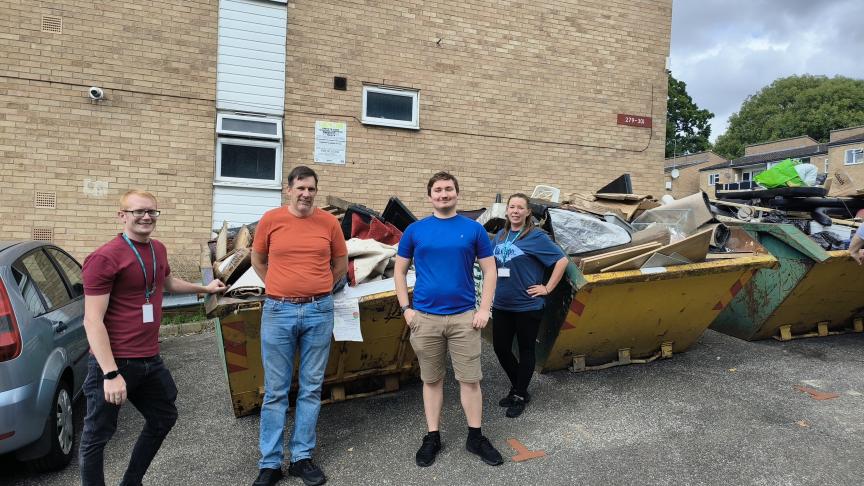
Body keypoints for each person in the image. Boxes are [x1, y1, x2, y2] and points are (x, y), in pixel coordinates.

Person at [80, 190, 226, 486]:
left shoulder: (157, 249)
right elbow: (92, 320)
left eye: (152, 212)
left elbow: (167, 282)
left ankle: (132, 481)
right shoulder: (104, 258)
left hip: (149, 358)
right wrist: (110, 374)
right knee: (97, 436)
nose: (146, 217)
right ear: (122, 215)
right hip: (115, 362)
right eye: (138, 211)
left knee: (163, 417)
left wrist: (205, 289)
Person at [394, 171, 503, 468]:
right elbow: (399, 272)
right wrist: (407, 309)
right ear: (429, 196)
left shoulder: (473, 230)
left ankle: (475, 437)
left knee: (470, 380)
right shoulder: (415, 231)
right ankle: (433, 437)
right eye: (438, 190)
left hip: (464, 318)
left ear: (457, 193)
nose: (443, 194)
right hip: (425, 319)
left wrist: (484, 309)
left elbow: (490, 271)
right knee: (432, 380)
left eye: (449, 189)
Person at [251, 166, 348, 486]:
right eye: (301, 188)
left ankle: (302, 458)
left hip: (319, 310)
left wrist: (320, 287)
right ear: (288, 189)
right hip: (279, 311)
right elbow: (258, 260)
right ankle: (270, 463)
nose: (306, 194)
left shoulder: (329, 223)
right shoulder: (271, 220)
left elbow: (339, 263)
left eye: (312, 189)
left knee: (310, 387)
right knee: (276, 391)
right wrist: (279, 288)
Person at [491, 193, 569, 418]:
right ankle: (520, 388)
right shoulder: (500, 236)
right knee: (501, 348)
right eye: (512, 207)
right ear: (506, 211)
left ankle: (519, 393)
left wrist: (547, 288)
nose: (515, 211)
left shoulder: (536, 237)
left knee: (526, 350)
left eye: (520, 208)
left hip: (527, 306)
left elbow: (561, 260)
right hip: (502, 304)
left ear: (527, 213)